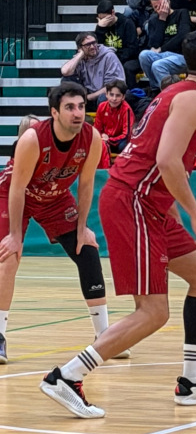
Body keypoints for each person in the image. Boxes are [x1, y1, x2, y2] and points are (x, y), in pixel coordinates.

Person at [39, 30, 196, 418]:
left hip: (148, 202)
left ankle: (192, 381)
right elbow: (166, 161)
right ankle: (67, 376)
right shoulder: (193, 100)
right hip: (134, 200)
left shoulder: (179, 93)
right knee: (153, 311)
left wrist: (171, 211)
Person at [0, 83, 121, 366]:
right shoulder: (33, 139)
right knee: (9, 258)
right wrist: (16, 236)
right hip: (14, 195)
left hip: (54, 197)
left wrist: (82, 229)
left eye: (81, 106)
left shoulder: (91, 138)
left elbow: (87, 183)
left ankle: (103, 336)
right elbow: (17, 189)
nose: (78, 113)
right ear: (54, 112)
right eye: (69, 107)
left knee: (87, 250)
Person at [138, 0, 192, 89]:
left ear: (168, 2)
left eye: (161, 5)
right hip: (162, 55)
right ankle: (155, 88)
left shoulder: (182, 13)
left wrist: (162, 49)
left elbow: (183, 36)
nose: (159, 9)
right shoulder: (154, 20)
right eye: (156, 7)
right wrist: (162, 20)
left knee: (157, 65)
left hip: (180, 55)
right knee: (143, 55)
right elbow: (154, 44)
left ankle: (170, 93)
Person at [60, 33, 123, 111]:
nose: (92, 47)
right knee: (66, 80)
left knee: (105, 97)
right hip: (86, 96)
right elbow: (65, 72)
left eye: (94, 43)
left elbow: (113, 86)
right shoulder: (80, 58)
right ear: (80, 48)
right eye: (88, 45)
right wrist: (80, 55)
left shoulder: (109, 56)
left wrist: (89, 97)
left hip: (102, 95)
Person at [95, 0, 139, 85]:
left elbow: (132, 49)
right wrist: (100, 28)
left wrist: (115, 58)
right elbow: (97, 45)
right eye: (100, 19)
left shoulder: (127, 23)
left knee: (127, 67)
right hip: (108, 58)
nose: (103, 21)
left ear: (113, 13)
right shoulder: (101, 26)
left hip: (125, 58)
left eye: (105, 18)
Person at [94, 79, 135, 158]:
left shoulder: (126, 109)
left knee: (123, 145)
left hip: (119, 141)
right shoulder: (101, 106)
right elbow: (97, 128)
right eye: (111, 94)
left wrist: (109, 139)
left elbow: (126, 134)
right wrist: (101, 137)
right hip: (105, 138)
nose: (114, 98)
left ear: (123, 97)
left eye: (118, 95)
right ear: (106, 95)